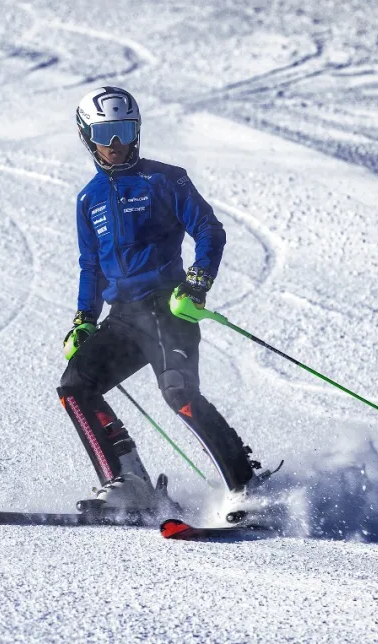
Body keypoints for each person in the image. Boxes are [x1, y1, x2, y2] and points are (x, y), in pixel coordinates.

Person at [57, 86, 265, 513]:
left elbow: (209, 229)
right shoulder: (87, 199)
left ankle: (246, 486)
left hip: (169, 307)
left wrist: (198, 281)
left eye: (124, 131)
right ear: (86, 135)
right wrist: (83, 318)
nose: (117, 144)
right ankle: (128, 482)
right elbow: (91, 267)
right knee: (75, 387)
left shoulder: (166, 179)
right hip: (123, 319)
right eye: (106, 133)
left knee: (178, 391)